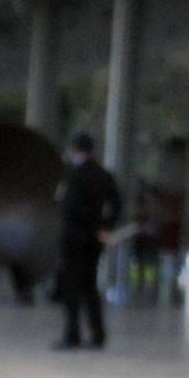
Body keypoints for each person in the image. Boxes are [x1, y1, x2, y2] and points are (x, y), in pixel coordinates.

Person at [52, 132, 125, 351]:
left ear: (74, 149)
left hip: (74, 239)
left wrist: (89, 226)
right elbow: (117, 203)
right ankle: (97, 334)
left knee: (71, 288)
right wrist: (104, 226)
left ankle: (72, 334)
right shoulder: (103, 175)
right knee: (90, 288)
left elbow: (69, 205)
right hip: (94, 241)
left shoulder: (72, 175)